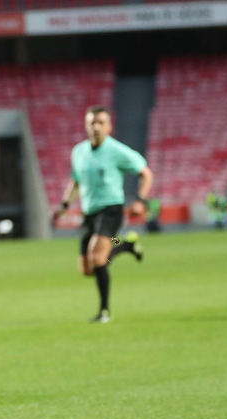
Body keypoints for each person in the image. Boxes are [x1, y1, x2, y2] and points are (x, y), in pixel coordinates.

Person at [52, 106, 153, 323]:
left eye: (100, 122)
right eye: (92, 122)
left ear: (109, 126)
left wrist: (140, 200)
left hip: (111, 209)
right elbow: (76, 181)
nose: (96, 127)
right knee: (87, 269)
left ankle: (104, 312)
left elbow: (146, 173)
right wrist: (64, 204)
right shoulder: (79, 152)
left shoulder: (117, 151)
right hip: (89, 212)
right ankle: (126, 246)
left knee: (97, 257)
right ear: (86, 126)